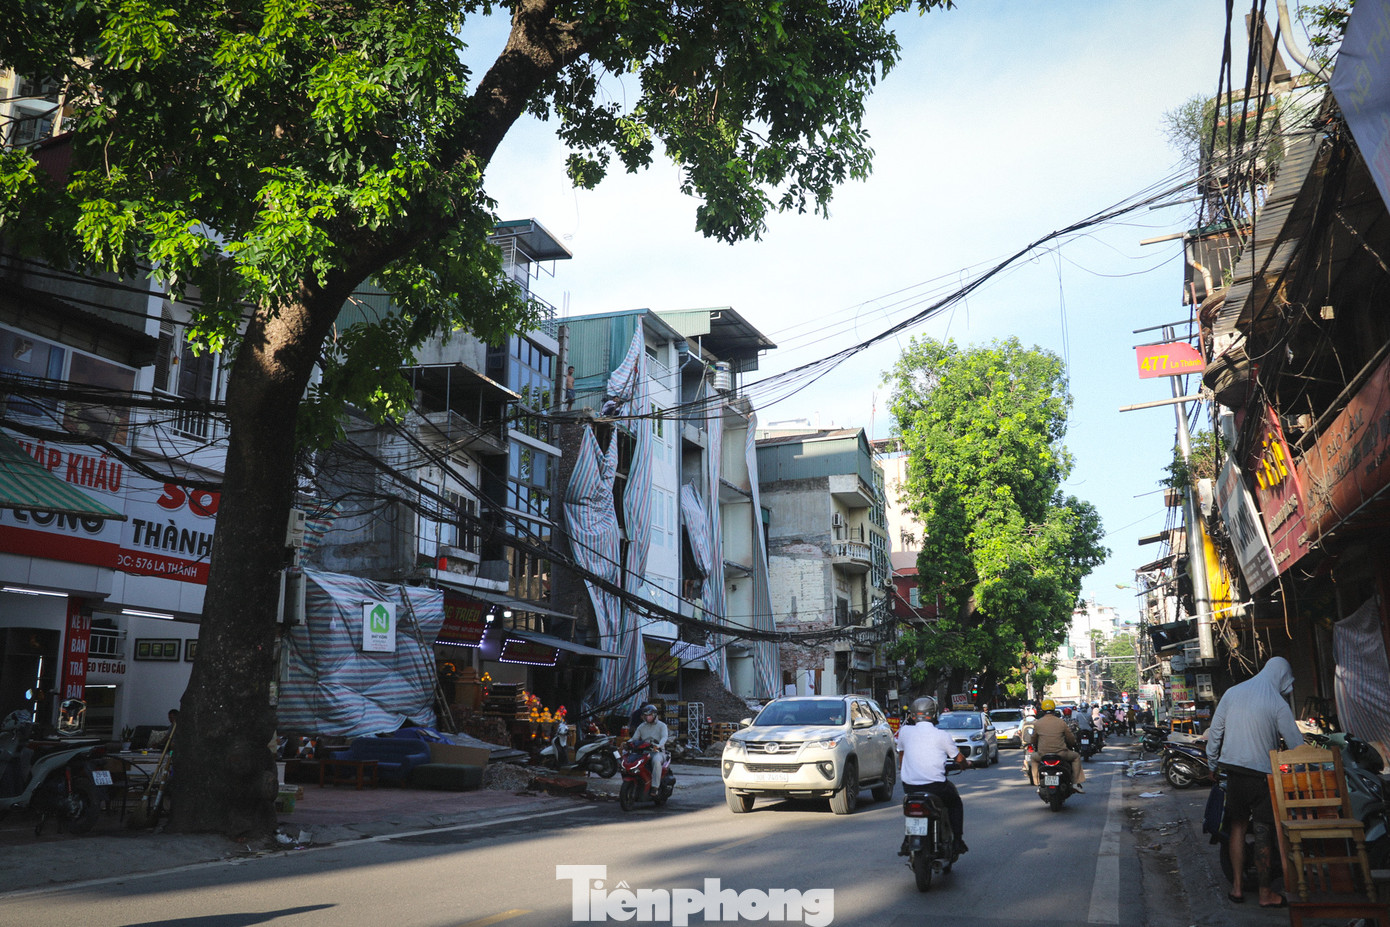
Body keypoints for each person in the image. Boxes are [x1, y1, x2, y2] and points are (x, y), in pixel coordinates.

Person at [1205, 656, 1303, 908]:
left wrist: (1212, 764)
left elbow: (1215, 732)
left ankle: (1237, 888)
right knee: (1263, 831)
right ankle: (1265, 892)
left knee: (1236, 827)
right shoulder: (1277, 702)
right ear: (1281, 676)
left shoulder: (1232, 692)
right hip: (1262, 777)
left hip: (1234, 773)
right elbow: (1296, 746)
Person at [896, 696, 971, 855]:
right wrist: (965, 765)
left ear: (913, 714)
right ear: (934, 714)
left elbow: (901, 756)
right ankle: (957, 840)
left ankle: (906, 840)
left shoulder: (904, 731)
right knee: (955, 802)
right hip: (936, 787)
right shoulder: (941, 735)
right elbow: (958, 758)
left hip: (909, 787)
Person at [1027, 699, 1084, 791]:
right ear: (1054, 710)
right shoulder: (1061, 722)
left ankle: (1037, 783)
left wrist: (1034, 745)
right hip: (1061, 754)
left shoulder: (1038, 723)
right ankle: (1075, 783)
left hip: (1043, 754)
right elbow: (1070, 738)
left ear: (1042, 710)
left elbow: (1033, 740)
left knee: (1033, 758)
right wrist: (1073, 744)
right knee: (1076, 757)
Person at [630, 704, 670, 792]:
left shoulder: (662, 726)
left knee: (656, 761)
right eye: (646, 715)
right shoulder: (642, 726)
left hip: (658, 752)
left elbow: (664, 737)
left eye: (649, 715)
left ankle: (655, 787)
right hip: (644, 752)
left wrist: (659, 745)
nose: (647, 717)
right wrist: (626, 743)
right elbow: (634, 738)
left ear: (654, 715)